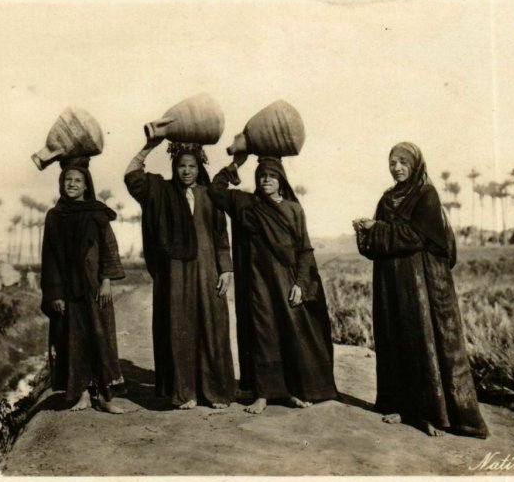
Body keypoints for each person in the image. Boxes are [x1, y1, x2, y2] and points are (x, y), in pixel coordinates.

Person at [354, 142, 488, 438]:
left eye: (403, 162)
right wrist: (367, 230)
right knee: (396, 338)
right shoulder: (387, 199)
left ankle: (431, 414)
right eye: (393, 162)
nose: (397, 168)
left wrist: (377, 228)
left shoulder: (426, 195)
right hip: (391, 283)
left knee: (422, 340)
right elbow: (377, 246)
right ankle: (401, 407)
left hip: (420, 284)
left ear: (415, 165)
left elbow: (415, 236)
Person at [208, 152, 337, 414]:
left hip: (286, 280)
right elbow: (215, 190)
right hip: (257, 281)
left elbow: (305, 249)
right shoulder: (246, 203)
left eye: (272, 176)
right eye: (262, 176)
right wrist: (237, 163)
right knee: (263, 332)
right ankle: (263, 394)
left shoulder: (293, 209)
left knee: (291, 332)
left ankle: (290, 391)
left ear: (281, 180)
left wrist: (300, 283)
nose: (266, 180)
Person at [124, 139, 235, 410]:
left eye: (192, 166)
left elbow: (221, 235)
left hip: (207, 270)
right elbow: (133, 178)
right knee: (179, 326)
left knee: (212, 325)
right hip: (175, 273)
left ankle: (214, 392)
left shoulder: (209, 195)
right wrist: (149, 146)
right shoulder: (161, 191)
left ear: (199, 168)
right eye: (182, 166)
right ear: (174, 168)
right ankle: (185, 393)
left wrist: (226, 269)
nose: (187, 171)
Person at [40, 159, 127, 414]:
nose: (72, 184)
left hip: (95, 286)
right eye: (68, 180)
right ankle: (82, 395)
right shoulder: (54, 216)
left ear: (87, 185)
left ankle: (106, 397)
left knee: (101, 337)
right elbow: (49, 257)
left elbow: (109, 247)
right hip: (68, 290)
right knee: (75, 340)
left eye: (78, 180)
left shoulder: (97, 213)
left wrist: (106, 281)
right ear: (61, 183)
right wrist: (55, 293)